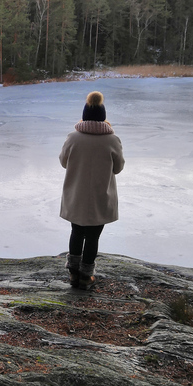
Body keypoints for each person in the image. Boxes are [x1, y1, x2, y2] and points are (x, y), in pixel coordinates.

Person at [59, 91, 124, 290]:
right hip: (100, 196)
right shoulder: (112, 140)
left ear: (84, 115)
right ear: (103, 117)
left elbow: (63, 162)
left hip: (76, 195)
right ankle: (86, 276)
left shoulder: (73, 137)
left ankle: (73, 274)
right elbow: (118, 168)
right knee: (93, 237)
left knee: (76, 232)